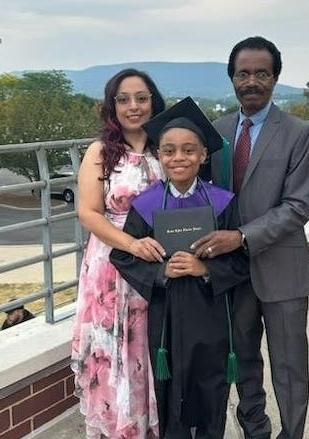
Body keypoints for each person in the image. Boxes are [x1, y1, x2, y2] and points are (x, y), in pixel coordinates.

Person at [192, 36, 309, 439]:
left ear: (275, 78)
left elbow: (299, 207)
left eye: (261, 73)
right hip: (232, 274)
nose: (252, 81)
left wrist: (241, 237)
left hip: (282, 268)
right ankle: (255, 428)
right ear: (232, 79)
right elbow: (200, 194)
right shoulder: (215, 132)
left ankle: (292, 433)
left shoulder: (300, 133)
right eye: (243, 73)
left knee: (289, 365)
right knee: (243, 356)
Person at [110, 97, 250, 439]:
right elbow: (123, 256)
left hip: (212, 316)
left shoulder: (223, 203)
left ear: (204, 155)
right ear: (160, 156)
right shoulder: (146, 206)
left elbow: (243, 259)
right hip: (166, 317)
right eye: (170, 151)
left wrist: (205, 270)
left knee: (210, 389)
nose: (179, 158)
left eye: (189, 150)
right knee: (170, 392)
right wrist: (161, 273)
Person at [70, 68, 167, 439]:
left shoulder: (165, 145)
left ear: (153, 102)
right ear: (112, 106)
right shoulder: (100, 152)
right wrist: (131, 244)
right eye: (124, 99)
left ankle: (150, 426)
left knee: (146, 349)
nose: (134, 106)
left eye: (141, 98)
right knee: (114, 350)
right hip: (112, 264)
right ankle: (118, 428)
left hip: (156, 260)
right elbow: (89, 212)